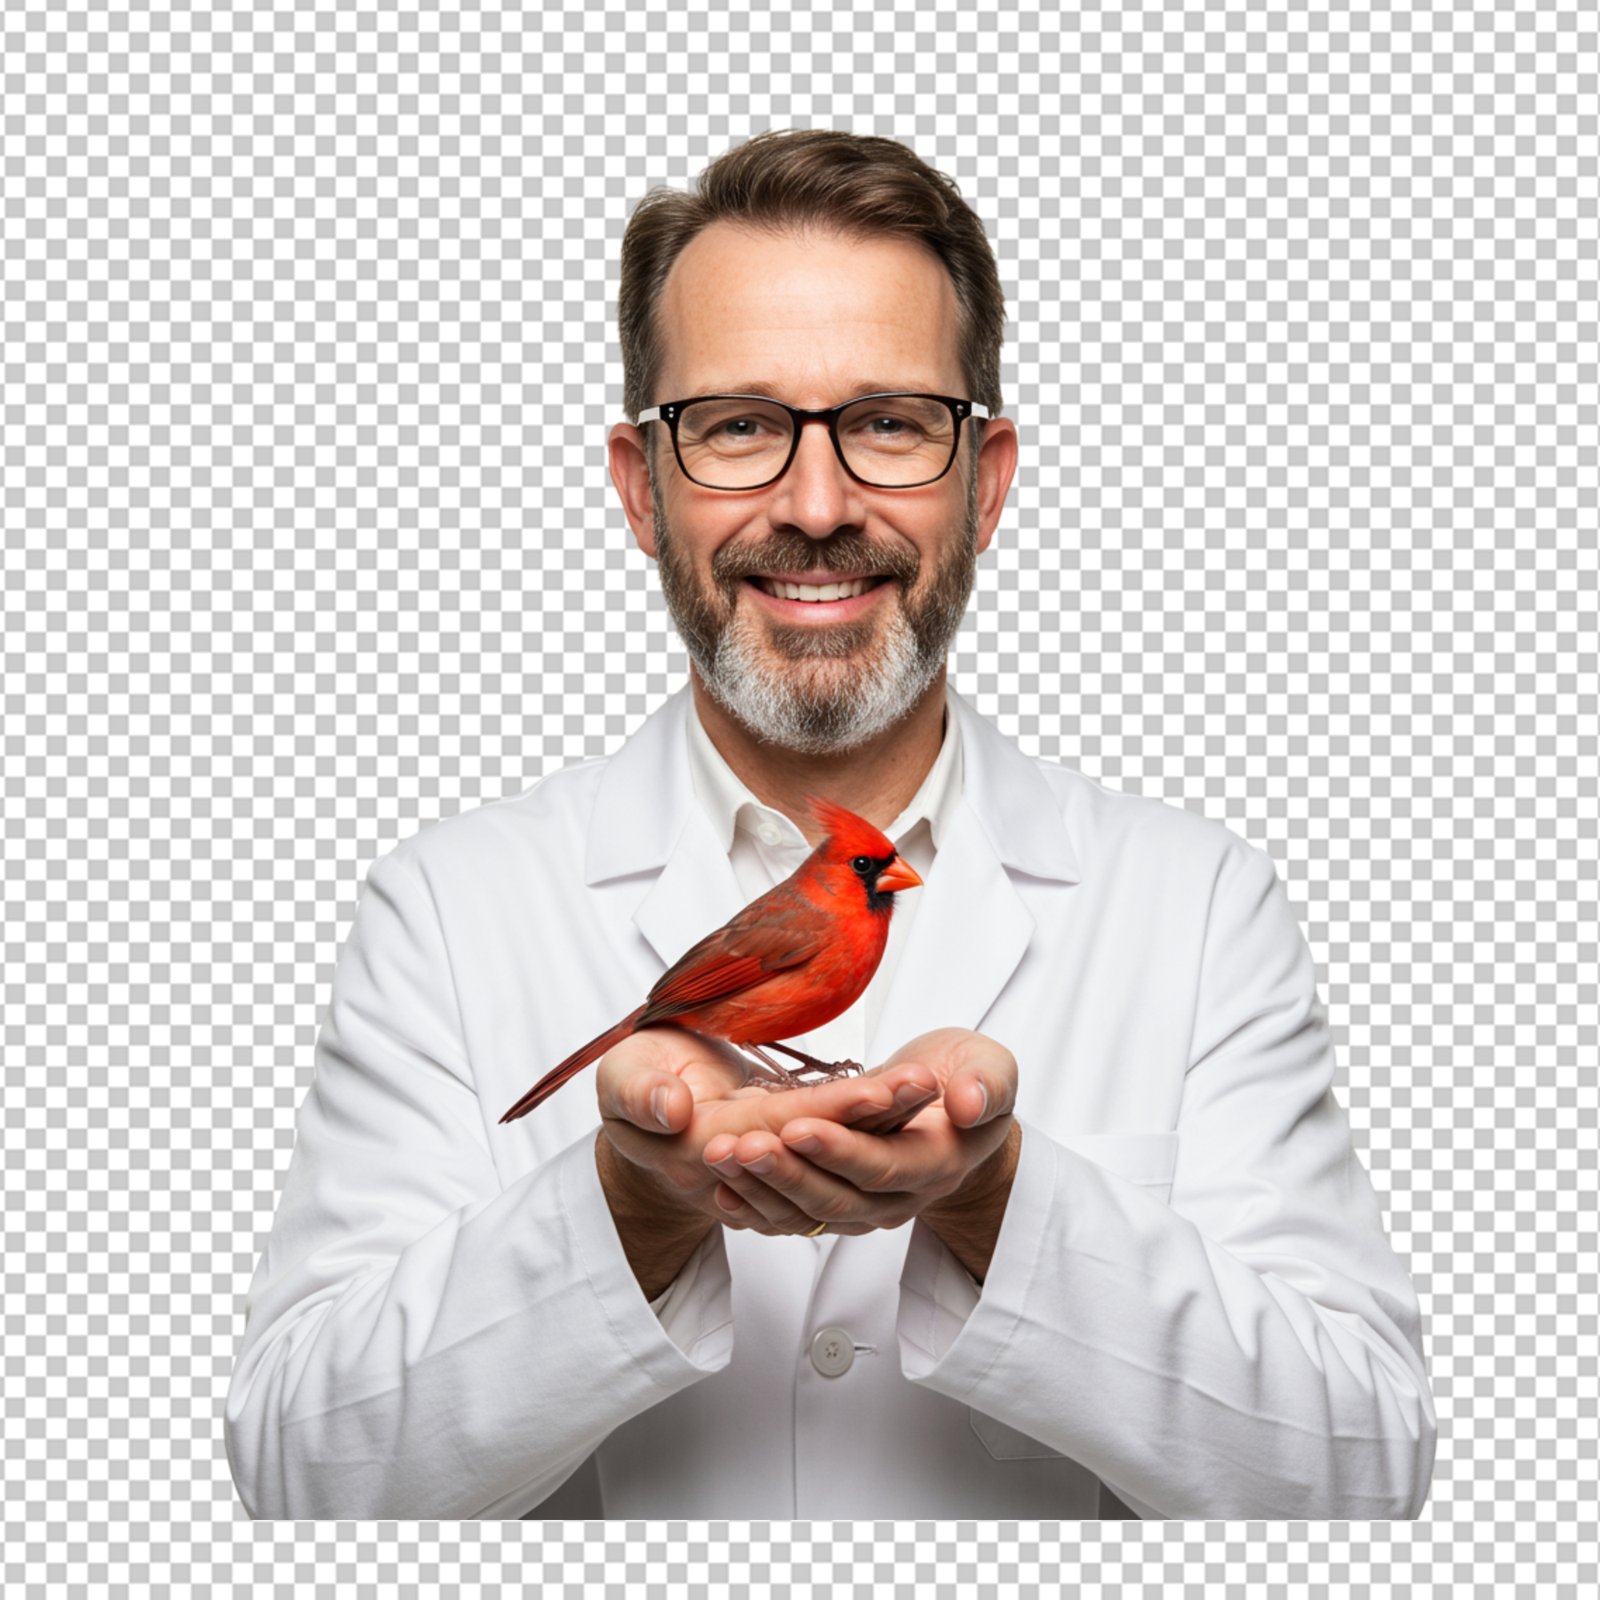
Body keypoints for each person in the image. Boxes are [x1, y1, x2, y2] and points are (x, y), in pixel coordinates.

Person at [224, 129, 1436, 1520]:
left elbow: (1362, 1477)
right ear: (640, 487)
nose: (816, 505)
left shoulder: (1201, 905)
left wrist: (999, 1205)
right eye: (739, 425)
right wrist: (628, 1209)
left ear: (985, 478)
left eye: (889, 423)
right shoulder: (445, 909)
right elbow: (295, 1480)